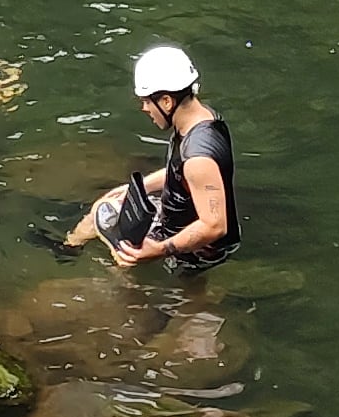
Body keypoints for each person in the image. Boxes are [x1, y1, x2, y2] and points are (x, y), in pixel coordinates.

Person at [65, 43, 240, 268]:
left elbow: (215, 226)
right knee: (107, 204)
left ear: (167, 101)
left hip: (197, 252)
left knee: (122, 256)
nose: (144, 108)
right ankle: (69, 249)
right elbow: (181, 173)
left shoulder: (198, 158)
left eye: (147, 101)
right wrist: (140, 187)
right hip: (175, 220)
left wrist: (158, 249)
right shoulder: (203, 119)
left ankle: (117, 286)